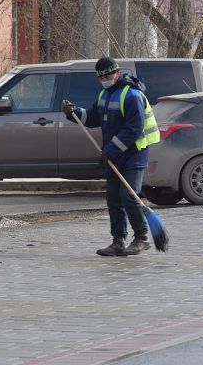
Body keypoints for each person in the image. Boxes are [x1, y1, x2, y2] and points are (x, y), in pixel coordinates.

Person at [62, 57, 160, 256]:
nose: (105, 79)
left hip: (134, 154)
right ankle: (118, 241)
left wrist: (111, 150)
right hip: (115, 155)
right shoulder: (104, 95)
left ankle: (141, 237)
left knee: (129, 196)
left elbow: (134, 129)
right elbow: (92, 118)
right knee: (113, 199)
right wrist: (74, 113)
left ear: (117, 73)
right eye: (101, 77)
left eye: (108, 75)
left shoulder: (131, 95)